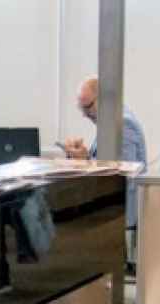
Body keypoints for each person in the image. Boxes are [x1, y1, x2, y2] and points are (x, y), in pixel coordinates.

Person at [62, 76, 148, 226]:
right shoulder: (110, 122)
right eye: (81, 108)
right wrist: (84, 157)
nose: (84, 114)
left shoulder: (122, 124)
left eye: (87, 107)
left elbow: (118, 178)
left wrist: (85, 162)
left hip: (122, 219)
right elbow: (106, 163)